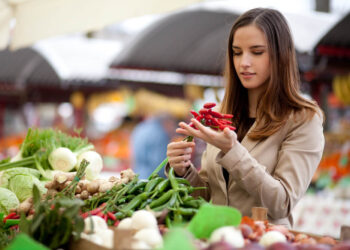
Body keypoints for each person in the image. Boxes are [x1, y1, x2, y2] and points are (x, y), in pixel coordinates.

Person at [165, 8, 325, 227]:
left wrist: (233, 152)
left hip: (262, 241)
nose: (243, 63)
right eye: (237, 52)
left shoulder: (303, 119)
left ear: (281, 55)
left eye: (257, 52)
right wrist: (184, 170)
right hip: (217, 238)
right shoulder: (222, 113)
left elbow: (282, 203)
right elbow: (209, 196)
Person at [131, 113, 177, 179]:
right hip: (152, 180)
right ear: (166, 122)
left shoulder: (139, 128)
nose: (172, 129)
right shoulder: (160, 133)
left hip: (138, 175)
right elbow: (159, 164)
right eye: (172, 125)